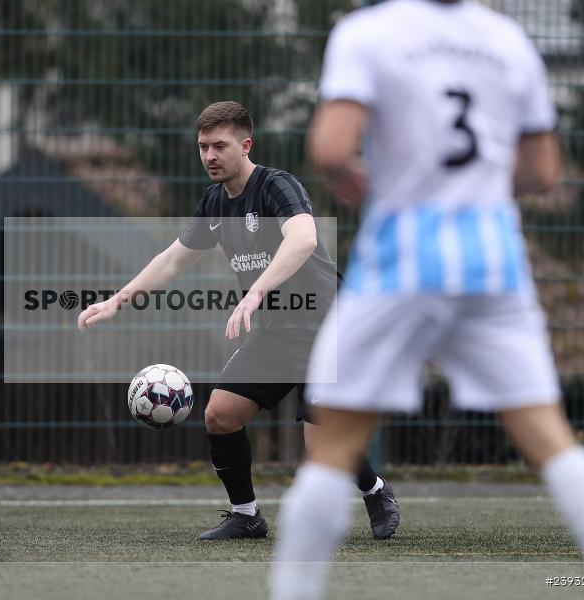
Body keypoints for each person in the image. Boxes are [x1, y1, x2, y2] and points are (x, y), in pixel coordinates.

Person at [270, 1, 584, 598]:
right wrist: (474, 182)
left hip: (401, 262)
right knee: (547, 435)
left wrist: (365, 178)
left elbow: (330, 149)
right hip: (494, 264)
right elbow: (540, 171)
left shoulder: (368, 33)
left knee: (337, 441)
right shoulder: (508, 40)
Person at [78, 100, 400, 541]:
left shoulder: (276, 186)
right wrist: (118, 300)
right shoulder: (214, 202)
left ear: (245, 145)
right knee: (221, 414)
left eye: (220, 146)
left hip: (330, 330)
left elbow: (304, 238)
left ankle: (375, 491)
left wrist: (257, 291)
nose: (210, 156)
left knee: (319, 444)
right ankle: (246, 515)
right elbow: (173, 260)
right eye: (203, 147)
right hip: (276, 334)